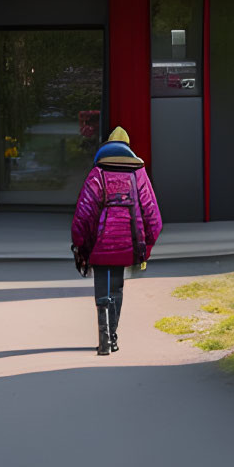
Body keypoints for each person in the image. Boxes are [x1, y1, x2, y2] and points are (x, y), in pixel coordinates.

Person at [70, 126, 163, 356]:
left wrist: (80, 242)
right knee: (117, 288)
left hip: (99, 246)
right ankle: (113, 338)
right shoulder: (138, 174)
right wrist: (146, 247)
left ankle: (103, 339)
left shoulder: (97, 175)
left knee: (103, 287)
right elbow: (154, 218)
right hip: (128, 244)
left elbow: (84, 214)